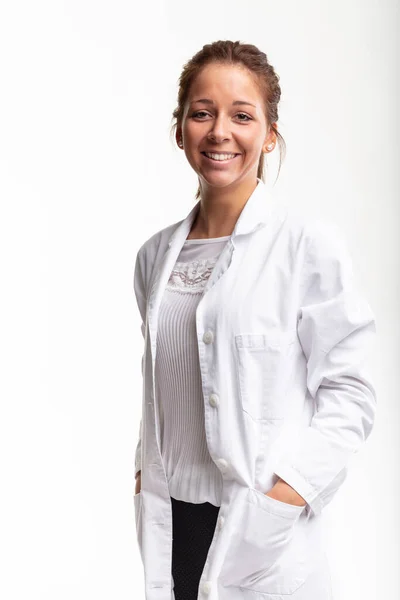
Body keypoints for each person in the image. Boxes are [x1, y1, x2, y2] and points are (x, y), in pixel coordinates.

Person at [132, 40, 377, 600]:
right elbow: (165, 384)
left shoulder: (304, 246)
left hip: (259, 533)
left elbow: (350, 394)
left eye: (242, 115)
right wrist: (144, 470)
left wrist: (282, 499)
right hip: (173, 526)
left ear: (269, 134)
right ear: (180, 129)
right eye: (202, 112)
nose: (220, 131)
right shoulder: (152, 257)